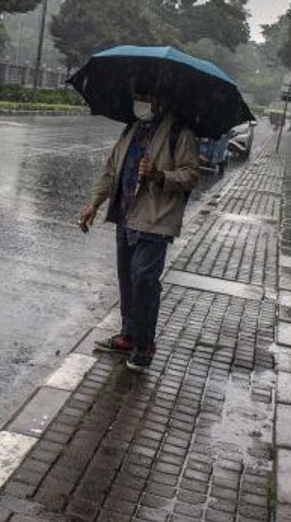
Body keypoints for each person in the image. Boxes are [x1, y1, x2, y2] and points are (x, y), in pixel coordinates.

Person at [78, 89, 200, 371]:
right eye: (137, 95)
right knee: (127, 281)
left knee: (144, 281)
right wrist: (94, 203)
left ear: (161, 99)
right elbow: (111, 172)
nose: (140, 101)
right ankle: (129, 336)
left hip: (156, 219)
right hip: (125, 215)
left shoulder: (179, 133)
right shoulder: (131, 130)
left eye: (146, 96)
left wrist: (160, 176)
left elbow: (192, 174)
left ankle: (145, 345)